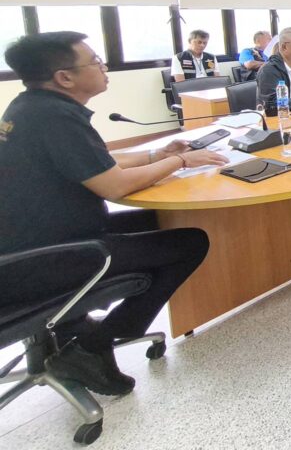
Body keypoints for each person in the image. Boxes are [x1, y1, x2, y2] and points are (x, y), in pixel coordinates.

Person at [1, 32, 222, 396]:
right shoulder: (55, 117)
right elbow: (114, 186)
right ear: (64, 77)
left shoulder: (32, 107)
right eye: (95, 61)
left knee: (158, 219)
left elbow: (97, 158)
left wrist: (157, 154)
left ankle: (73, 325)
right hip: (44, 258)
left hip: (33, 241)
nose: (104, 67)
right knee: (190, 242)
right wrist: (181, 161)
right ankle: (91, 348)